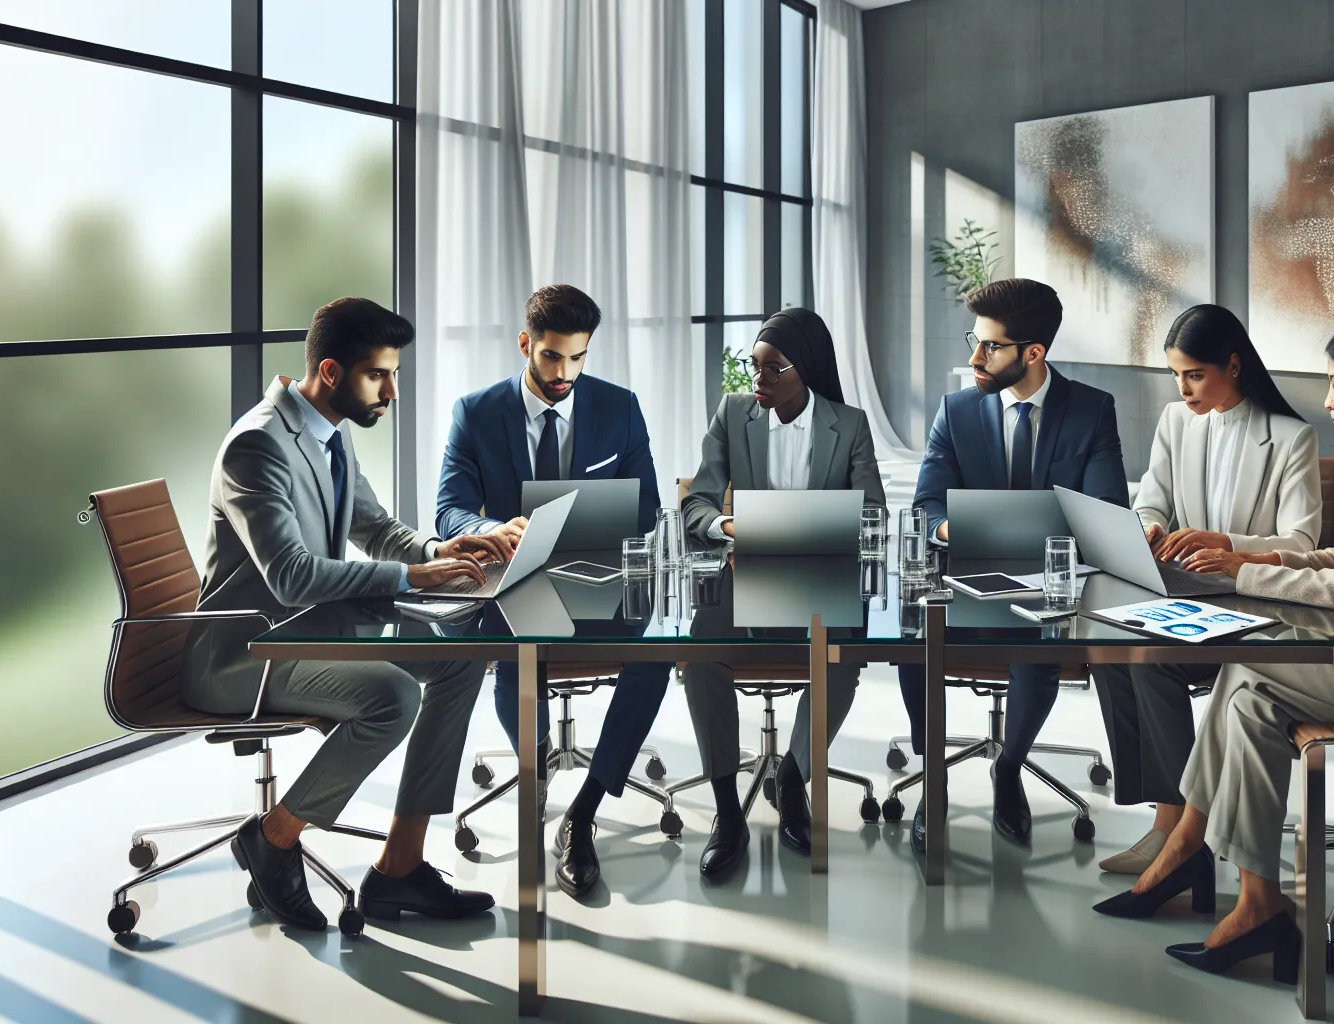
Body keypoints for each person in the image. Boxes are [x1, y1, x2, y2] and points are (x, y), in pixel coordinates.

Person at [1093, 311, 1334, 985]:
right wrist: (1267, 555)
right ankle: (1223, 873)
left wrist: (1240, 568)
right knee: (1245, 680)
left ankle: (1225, 877)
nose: (1329, 399)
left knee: (1250, 686)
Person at [183, 297, 505, 932]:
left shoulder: (330, 433)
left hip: (311, 634)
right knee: (391, 694)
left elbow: (374, 527)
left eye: (395, 374)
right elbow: (293, 575)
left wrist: (440, 550)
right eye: (377, 375)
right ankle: (274, 838)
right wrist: (415, 576)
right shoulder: (257, 447)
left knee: (463, 654)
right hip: (245, 657)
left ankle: (399, 868)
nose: (392, 390)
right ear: (329, 372)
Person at [434, 283, 668, 898]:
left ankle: (584, 811)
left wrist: (590, 517)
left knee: (659, 654)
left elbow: (647, 504)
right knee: (518, 652)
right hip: (515, 581)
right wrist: (490, 528)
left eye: (577, 358)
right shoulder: (476, 412)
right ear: (526, 345)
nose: (564, 373)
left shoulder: (618, 408)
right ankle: (534, 768)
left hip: (599, 577)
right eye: (551, 357)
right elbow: (449, 510)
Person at [899, 278, 1127, 854]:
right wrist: (958, 530)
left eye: (990, 347)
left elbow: (1104, 514)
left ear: (1033, 353)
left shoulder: (1091, 411)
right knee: (910, 640)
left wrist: (1054, 549)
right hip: (965, 577)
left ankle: (1010, 768)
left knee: (1041, 642)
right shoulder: (957, 411)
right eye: (973, 342)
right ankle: (935, 776)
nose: (974, 358)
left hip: (1049, 584)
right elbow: (927, 504)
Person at [1092, 305, 1320, 876]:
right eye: (1175, 375)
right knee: (1106, 647)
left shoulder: (1291, 438)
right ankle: (1166, 813)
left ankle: (1173, 831)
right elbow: (1153, 497)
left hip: (1256, 605)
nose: (1183, 388)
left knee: (1149, 658)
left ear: (1234, 365)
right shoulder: (1176, 421)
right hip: (1184, 594)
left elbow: (1302, 542)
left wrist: (1229, 544)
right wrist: (1147, 523)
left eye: (1195, 374)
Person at [681, 307, 885, 881]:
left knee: (843, 654)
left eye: (774, 370)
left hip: (818, 574)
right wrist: (727, 526)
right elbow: (697, 500)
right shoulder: (734, 414)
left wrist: (812, 530)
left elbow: (873, 512)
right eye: (755, 367)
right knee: (700, 658)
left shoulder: (848, 424)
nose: (759, 381)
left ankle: (794, 778)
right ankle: (727, 811)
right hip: (744, 574)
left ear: (807, 371)